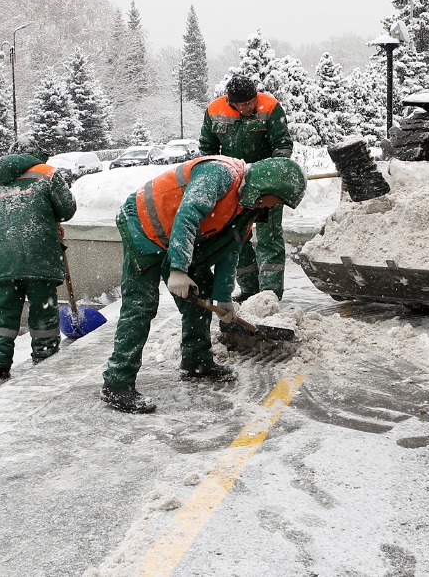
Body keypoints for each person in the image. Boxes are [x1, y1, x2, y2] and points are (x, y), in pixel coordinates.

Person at [100, 155, 307, 414]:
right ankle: (117, 383)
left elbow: (230, 250)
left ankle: (196, 361)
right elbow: (187, 215)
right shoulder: (220, 175)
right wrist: (177, 269)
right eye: (276, 200)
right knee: (141, 305)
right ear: (264, 187)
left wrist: (223, 298)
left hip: (177, 238)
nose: (274, 206)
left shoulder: (247, 208)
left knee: (202, 295)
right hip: (144, 226)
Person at [0, 153, 77, 385]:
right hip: (39, 254)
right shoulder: (46, 173)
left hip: (4, 256)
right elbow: (67, 209)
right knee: (43, 307)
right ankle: (44, 358)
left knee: (2, 309)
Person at [198, 74, 294, 301]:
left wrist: (271, 177)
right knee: (237, 238)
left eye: (251, 101)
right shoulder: (214, 111)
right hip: (233, 188)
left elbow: (282, 146)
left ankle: (270, 294)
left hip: (265, 187)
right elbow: (207, 150)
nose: (249, 107)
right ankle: (250, 290)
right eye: (243, 104)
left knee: (268, 239)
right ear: (231, 102)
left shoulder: (270, 108)